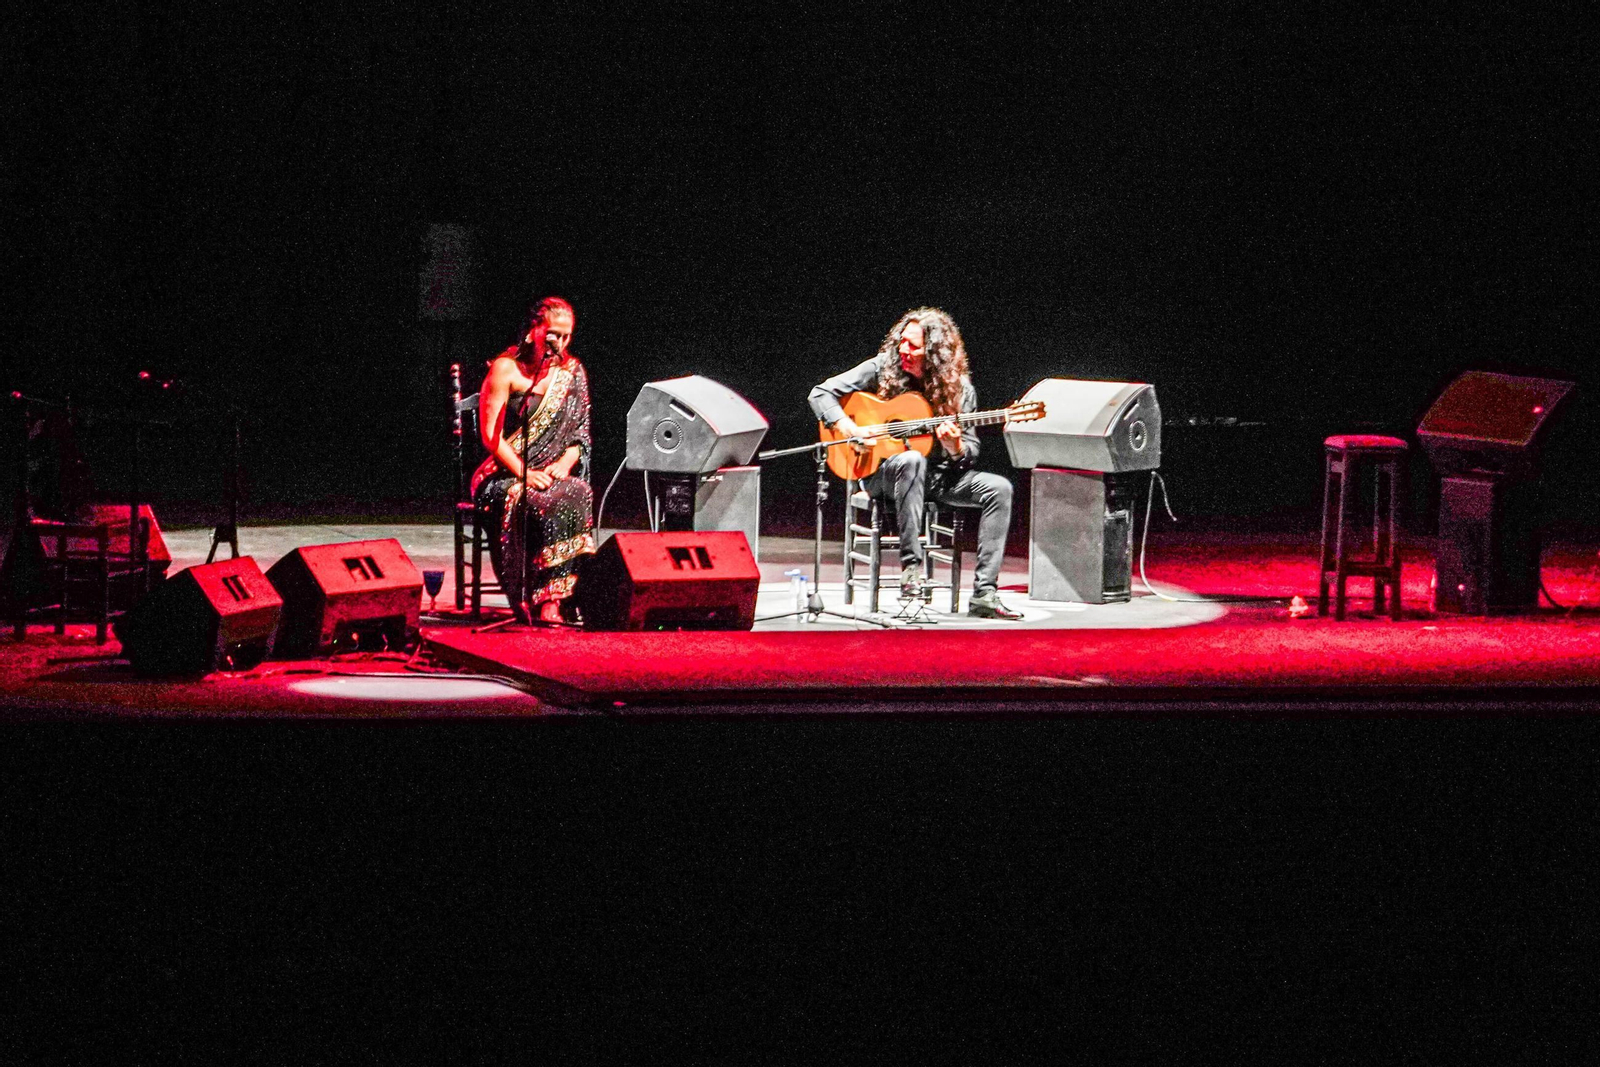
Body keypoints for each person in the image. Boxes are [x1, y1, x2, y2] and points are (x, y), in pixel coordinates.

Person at [808, 307, 1021, 620]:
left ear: (934, 353)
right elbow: (820, 393)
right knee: (911, 459)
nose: (903, 350)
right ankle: (911, 569)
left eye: (913, 346)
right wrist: (849, 428)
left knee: (999, 488)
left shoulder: (960, 391)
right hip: (885, 474)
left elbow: (969, 453)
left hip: (939, 479)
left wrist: (955, 447)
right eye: (902, 342)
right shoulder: (883, 368)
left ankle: (985, 594)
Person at [471, 296, 595, 625]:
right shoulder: (505, 368)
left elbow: (580, 436)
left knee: (577, 492)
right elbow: (490, 436)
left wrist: (565, 464)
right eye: (553, 333)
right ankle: (530, 598)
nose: (561, 342)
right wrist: (525, 472)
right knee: (536, 500)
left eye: (567, 336)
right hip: (503, 474)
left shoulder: (573, 372)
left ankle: (560, 598)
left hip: (551, 473)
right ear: (534, 330)